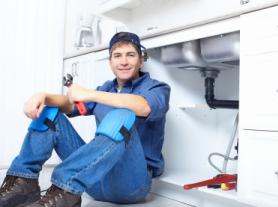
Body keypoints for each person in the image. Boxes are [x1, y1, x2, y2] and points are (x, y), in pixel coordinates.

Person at [0, 32, 170, 207]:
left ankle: (65, 185)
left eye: (131, 55)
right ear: (110, 62)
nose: (124, 61)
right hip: (94, 178)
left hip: (131, 184)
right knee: (49, 111)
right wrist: (42, 96)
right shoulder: (106, 89)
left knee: (122, 114)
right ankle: (23, 183)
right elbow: (69, 105)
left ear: (141, 60)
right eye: (117, 56)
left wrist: (92, 94)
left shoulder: (157, 88)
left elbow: (144, 107)